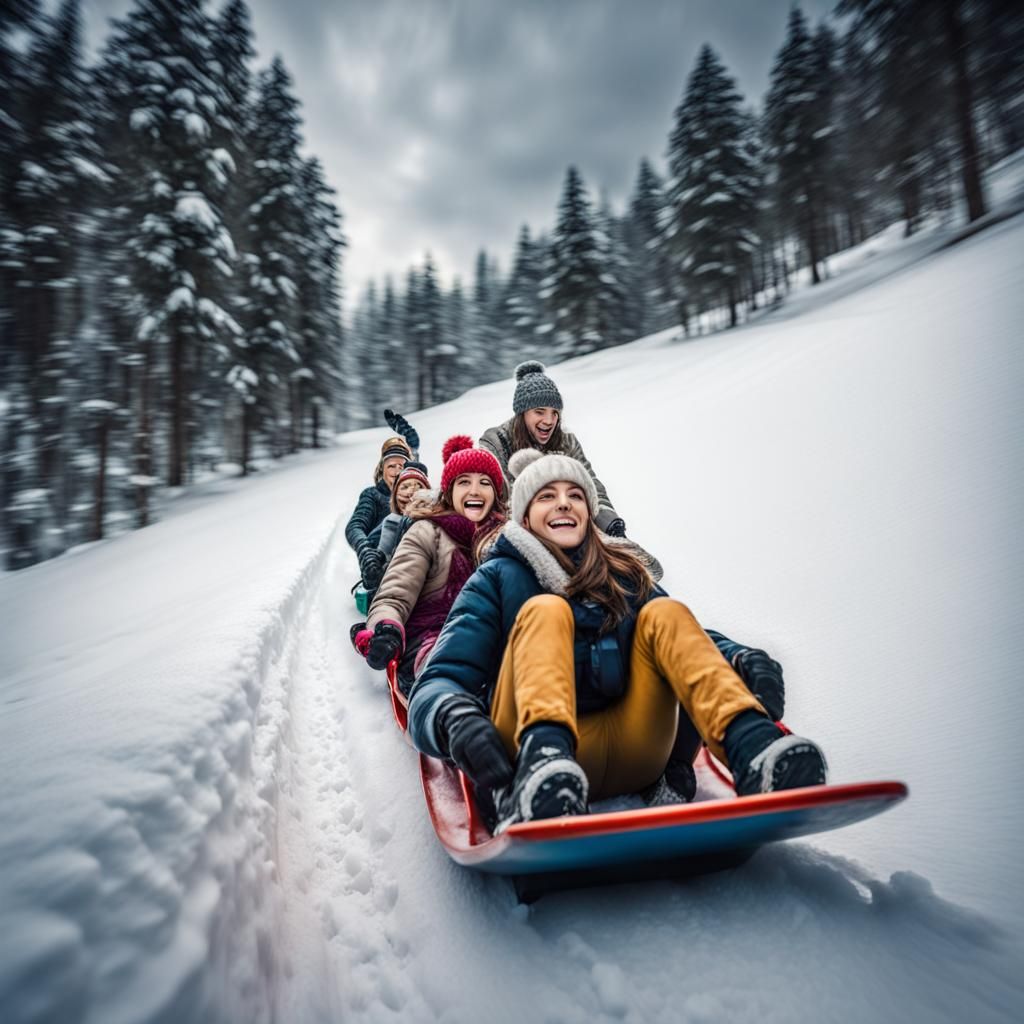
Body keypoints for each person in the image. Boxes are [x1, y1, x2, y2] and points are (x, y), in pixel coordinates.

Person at [407, 448, 827, 833]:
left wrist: (739, 661)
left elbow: (689, 640)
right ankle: (545, 770)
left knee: (664, 612)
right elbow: (439, 681)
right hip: (527, 758)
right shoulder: (496, 579)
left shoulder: (624, 574)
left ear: (589, 512)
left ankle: (755, 752)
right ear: (525, 517)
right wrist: (454, 717)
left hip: (637, 750)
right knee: (546, 610)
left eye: (575, 495)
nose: (564, 503)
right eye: (546, 496)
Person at [351, 436, 506, 695]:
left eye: (485, 482)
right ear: (449, 492)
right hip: (435, 641)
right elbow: (395, 593)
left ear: (496, 493)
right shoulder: (426, 532)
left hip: (493, 637)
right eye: (464, 482)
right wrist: (386, 626)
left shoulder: (505, 536)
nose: (475, 490)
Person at [479, 360, 626, 536]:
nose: (549, 421)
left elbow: (591, 486)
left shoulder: (565, 441)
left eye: (554, 413)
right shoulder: (497, 442)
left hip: (566, 525)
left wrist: (609, 523)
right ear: (522, 414)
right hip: (516, 534)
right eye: (540, 411)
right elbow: (494, 502)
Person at [345, 434, 412, 586]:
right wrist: (365, 550)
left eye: (401, 466)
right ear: (382, 469)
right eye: (391, 466)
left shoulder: (415, 494)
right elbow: (355, 526)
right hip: (380, 564)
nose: (396, 471)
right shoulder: (373, 495)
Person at [359, 460, 432, 594]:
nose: (411, 492)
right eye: (404, 487)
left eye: (418, 487)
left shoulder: (438, 523)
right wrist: (372, 571)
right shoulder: (391, 523)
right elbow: (382, 558)